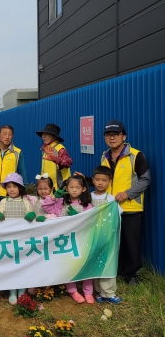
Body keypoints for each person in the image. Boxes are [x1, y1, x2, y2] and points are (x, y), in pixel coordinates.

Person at [100, 120, 150, 286]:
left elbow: (145, 180)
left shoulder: (136, 156)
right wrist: (85, 179)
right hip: (111, 208)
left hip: (131, 208)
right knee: (116, 241)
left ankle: (132, 274)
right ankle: (118, 270)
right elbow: (105, 180)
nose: (111, 138)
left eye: (116, 134)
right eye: (108, 135)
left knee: (132, 243)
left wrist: (128, 194)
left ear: (124, 136)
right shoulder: (105, 156)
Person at [0, 173, 35, 305]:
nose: (11, 189)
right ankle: (12, 292)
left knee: (22, 265)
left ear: (20, 188)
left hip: (22, 239)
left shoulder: (25, 202)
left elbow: (32, 216)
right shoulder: (3, 202)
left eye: (14, 186)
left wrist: (32, 215)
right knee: (11, 265)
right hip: (8, 240)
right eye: (9, 187)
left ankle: (21, 291)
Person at [91, 165, 123, 304]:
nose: (100, 183)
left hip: (108, 237)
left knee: (108, 262)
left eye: (104, 180)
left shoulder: (112, 199)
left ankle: (109, 292)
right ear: (93, 180)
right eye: (98, 179)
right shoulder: (88, 198)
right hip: (93, 236)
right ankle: (98, 291)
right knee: (96, 262)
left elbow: (118, 216)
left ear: (110, 181)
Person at [61, 175, 94, 304]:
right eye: (71, 187)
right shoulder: (61, 203)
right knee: (70, 265)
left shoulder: (87, 205)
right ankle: (72, 290)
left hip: (83, 239)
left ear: (84, 189)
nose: (74, 190)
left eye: (77, 187)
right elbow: (47, 207)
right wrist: (53, 197)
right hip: (67, 240)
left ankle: (88, 291)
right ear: (66, 188)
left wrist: (79, 217)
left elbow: (91, 220)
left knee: (86, 264)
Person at [0, 125, 27, 216]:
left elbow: (22, 172)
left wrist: (23, 190)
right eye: (4, 134)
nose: (7, 137)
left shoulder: (17, 152)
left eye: (10, 134)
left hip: (9, 194)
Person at [36, 123, 72, 190]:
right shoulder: (46, 149)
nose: (43, 136)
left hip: (59, 189)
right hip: (48, 188)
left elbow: (68, 163)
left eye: (47, 134)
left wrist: (55, 159)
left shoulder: (60, 149)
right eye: (43, 134)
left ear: (54, 137)